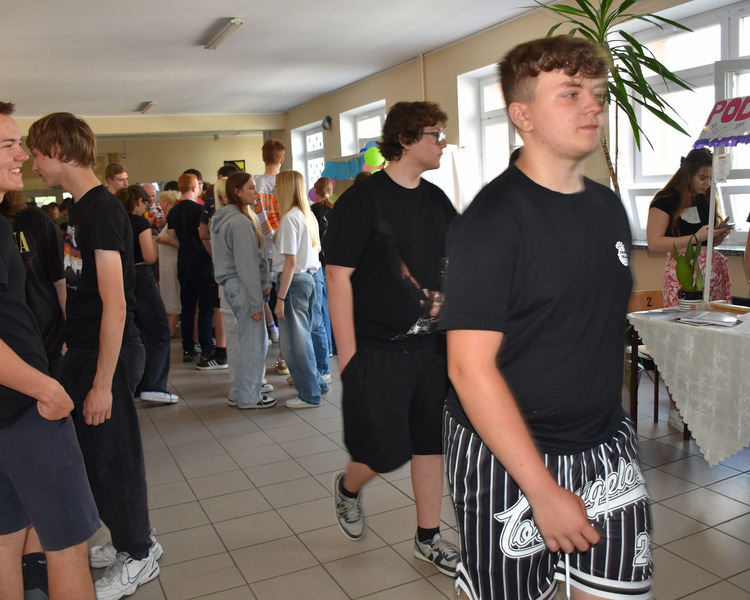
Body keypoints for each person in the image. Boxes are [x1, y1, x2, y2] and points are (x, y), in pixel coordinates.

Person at [440, 36, 652, 600]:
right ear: (523, 115)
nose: (593, 106)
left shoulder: (607, 208)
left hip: (603, 443)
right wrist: (541, 490)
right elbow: (468, 368)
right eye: (571, 93)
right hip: (505, 458)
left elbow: (592, 330)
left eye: (598, 93)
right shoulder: (491, 222)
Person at [27, 111, 163, 600]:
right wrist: (70, 339)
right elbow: (81, 288)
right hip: (85, 350)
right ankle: (130, 539)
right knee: (93, 457)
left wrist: (103, 382)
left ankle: (139, 552)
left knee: (115, 459)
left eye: (37, 154)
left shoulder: (101, 211)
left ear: (59, 151)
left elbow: (116, 303)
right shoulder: (81, 209)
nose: (33, 164)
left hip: (108, 355)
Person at [324, 101, 459, 577]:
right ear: (405, 139)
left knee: (428, 444)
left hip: (432, 349)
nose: (443, 142)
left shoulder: (437, 201)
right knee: (382, 452)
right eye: (435, 134)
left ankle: (428, 537)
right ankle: (348, 487)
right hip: (377, 350)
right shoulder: (361, 202)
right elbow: (337, 277)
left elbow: (459, 265)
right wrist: (348, 357)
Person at [0, 100, 99, 600]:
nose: (21, 155)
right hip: (24, 408)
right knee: (67, 545)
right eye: (8, 145)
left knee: (5, 543)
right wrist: (46, 389)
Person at [211, 172, 275, 409]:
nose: (256, 192)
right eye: (251, 188)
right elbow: (247, 266)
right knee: (254, 343)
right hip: (243, 286)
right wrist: (257, 302)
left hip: (234, 286)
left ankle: (238, 393)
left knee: (249, 341)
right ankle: (249, 397)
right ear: (237, 192)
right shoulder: (239, 222)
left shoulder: (224, 218)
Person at [646, 147, 733, 306]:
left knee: (713, 319)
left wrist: (716, 236)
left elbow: (705, 243)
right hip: (683, 272)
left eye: (711, 178)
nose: (707, 184)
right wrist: (696, 238)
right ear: (688, 174)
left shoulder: (707, 198)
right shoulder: (666, 199)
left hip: (711, 273)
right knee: (683, 319)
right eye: (702, 178)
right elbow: (654, 243)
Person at [273, 170, 329, 408]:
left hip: (294, 282)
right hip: (308, 279)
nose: (274, 190)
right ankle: (317, 384)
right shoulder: (307, 215)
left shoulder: (290, 219)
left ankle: (309, 395)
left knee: (295, 345)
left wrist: (280, 298)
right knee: (303, 339)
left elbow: (291, 262)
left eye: (277, 186)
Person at [117, 185, 177, 405]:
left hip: (120, 277)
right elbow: (150, 257)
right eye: (144, 202)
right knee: (159, 330)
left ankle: (135, 385)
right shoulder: (139, 223)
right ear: (137, 202)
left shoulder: (115, 221)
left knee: (135, 333)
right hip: (141, 276)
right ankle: (154, 386)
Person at [166, 172, 220, 365]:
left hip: (183, 262)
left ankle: (188, 348)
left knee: (187, 308)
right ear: (194, 187)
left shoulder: (173, 211)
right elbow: (205, 236)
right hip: (201, 262)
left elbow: (172, 237)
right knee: (205, 307)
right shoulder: (199, 210)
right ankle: (206, 347)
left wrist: (185, 247)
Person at [255, 139, 285, 365]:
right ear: (281, 158)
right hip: (283, 249)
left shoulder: (254, 183)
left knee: (264, 296)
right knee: (283, 300)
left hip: (262, 248)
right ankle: (283, 350)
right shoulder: (287, 183)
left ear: (263, 157)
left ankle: (271, 330)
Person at [309, 177, 334, 370]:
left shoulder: (312, 212)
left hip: (320, 263)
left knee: (323, 306)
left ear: (315, 191)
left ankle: (328, 348)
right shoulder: (337, 210)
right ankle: (337, 344)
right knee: (335, 305)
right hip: (337, 263)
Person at [155, 190, 181, 337]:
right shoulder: (169, 219)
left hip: (171, 264)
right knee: (169, 294)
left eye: (161, 201)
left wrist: (153, 238)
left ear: (166, 202)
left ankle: (170, 330)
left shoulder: (172, 218)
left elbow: (173, 240)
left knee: (173, 296)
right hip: (166, 264)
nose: (160, 204)